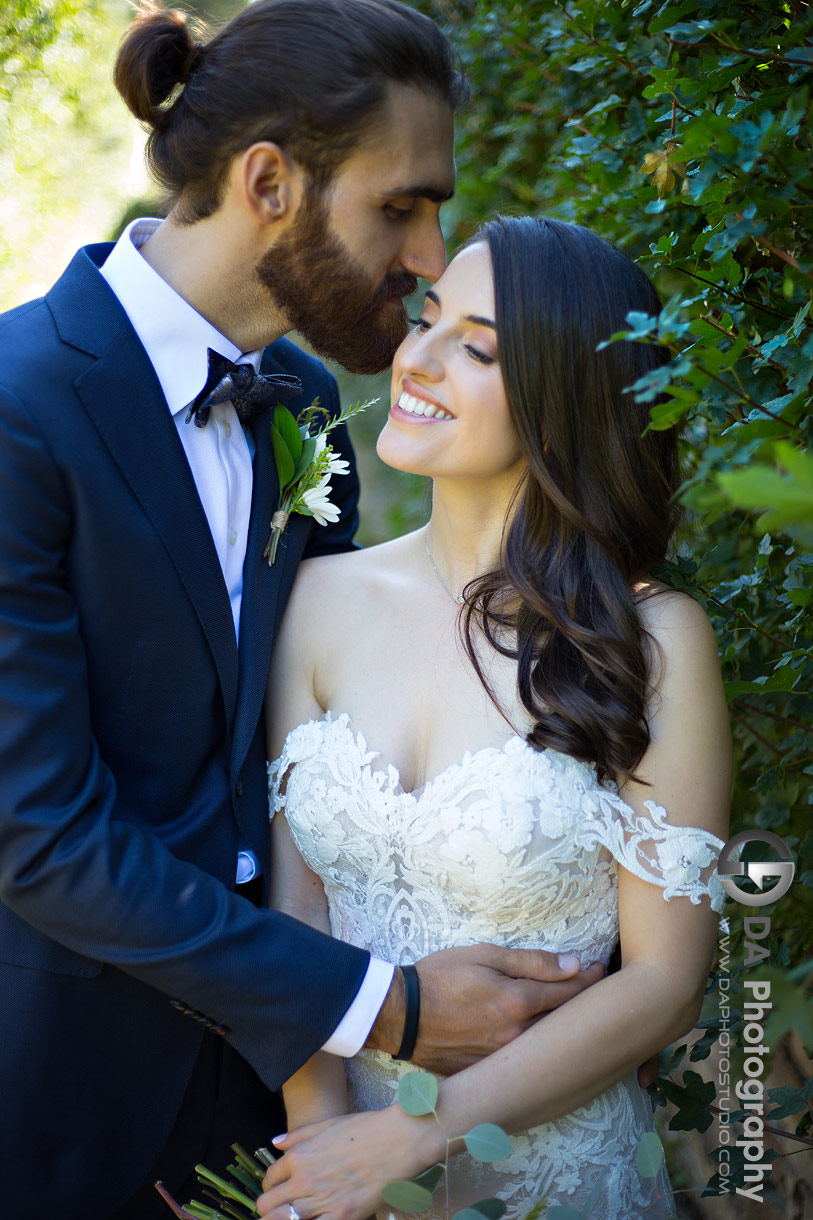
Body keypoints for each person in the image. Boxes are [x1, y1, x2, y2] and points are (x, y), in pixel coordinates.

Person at [0, 6, 604, 1219]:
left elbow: (306, 747)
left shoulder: (305, 402)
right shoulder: (20, 409)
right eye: (403, 206)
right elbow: (37, 829)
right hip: (70, 1104)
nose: (433, 253)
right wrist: (393, 1005)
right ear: (268, 180)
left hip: (300, 1110)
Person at [257, 216, 731, 1220]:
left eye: (473, 348)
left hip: (564, 1179)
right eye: (425, 320)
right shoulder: (311, 601)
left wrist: (412, 1135)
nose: (414, 358)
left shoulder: (651, 639)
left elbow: (664, 981)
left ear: (562, 403)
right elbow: (294, 923)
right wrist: (324, 1160)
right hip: (341, 1175)